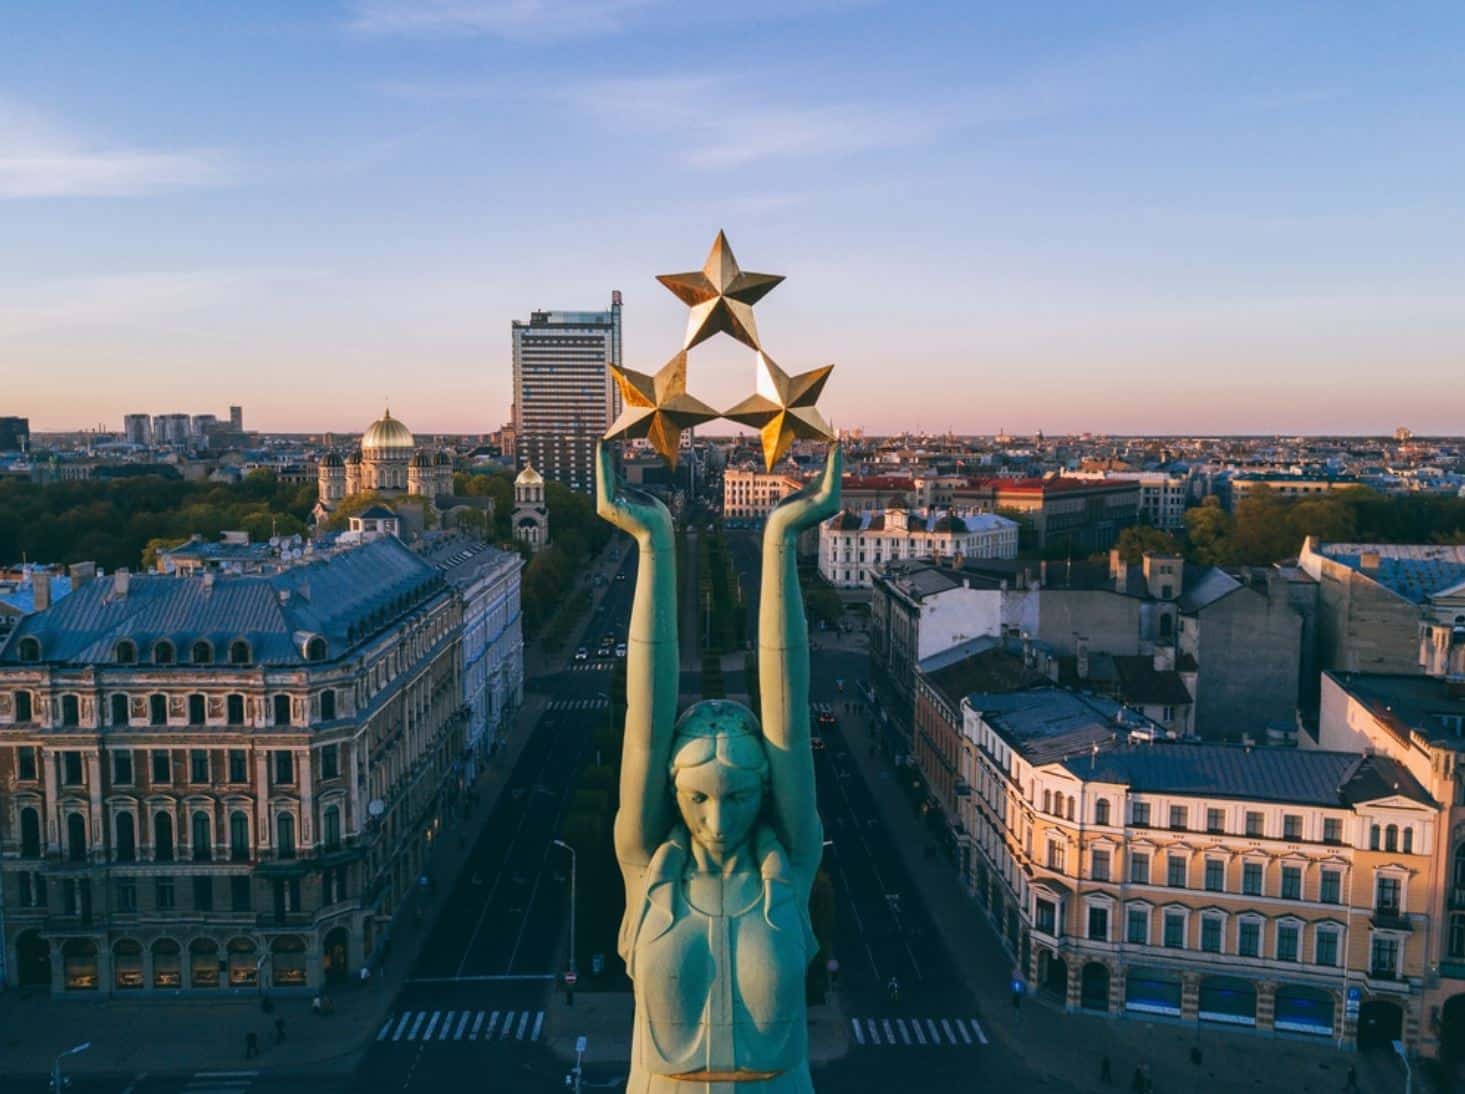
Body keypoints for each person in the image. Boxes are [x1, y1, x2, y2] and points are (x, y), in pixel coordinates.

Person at [597, 442, 840, 1094]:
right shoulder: (643, 863)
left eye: (736, 798)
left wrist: (781, 539)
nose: (716, 819)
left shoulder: (790, 859)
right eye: (698, 799)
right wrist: (653, 544)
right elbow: (643, 720)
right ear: (672, 793)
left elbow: (785, 703)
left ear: (764, 790)